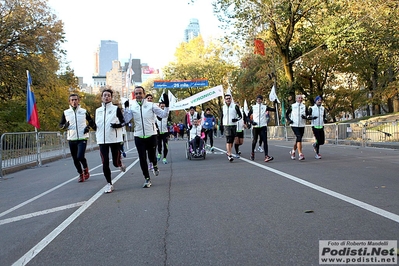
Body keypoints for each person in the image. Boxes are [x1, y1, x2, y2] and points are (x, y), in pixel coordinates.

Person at [129, 86, 169, 188]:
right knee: (142, 158)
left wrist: (167, 105)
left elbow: (164, 115)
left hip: (151, 134)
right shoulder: (132, 106)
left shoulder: (151, 105)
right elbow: (125, 119)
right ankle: (147, 178)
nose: (138, 95)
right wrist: (124, 110)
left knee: (152, 157)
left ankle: (154, 164)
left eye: (140, 93)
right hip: (138, 136)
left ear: (144, 94)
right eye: (136, 93)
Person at [59, 94, 96, 182]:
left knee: (80, 156)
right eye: (72, 100)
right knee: (75, 158)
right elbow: (60, 125)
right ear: (69, 102)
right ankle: (80, 174)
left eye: (75, 100)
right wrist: (65, 126)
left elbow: (91, 121)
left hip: (82, 137)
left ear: (78, 100)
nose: (74, 102)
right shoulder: (66, 112)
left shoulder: (84, 111)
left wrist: (88, 127)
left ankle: (85, 169)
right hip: (72, 138)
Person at [95, 89, 126, 193]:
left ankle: (120, 164)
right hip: (102, 140)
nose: (106, 97)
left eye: (108, 95)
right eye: (104, 95)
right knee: (105, 162)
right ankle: (109, 184)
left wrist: (117, 125)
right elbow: (97, 125)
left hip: (114, 139)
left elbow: (123, 122)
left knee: (115, 163)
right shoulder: (97, 110)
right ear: (101, 97)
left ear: (111, 97)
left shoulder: (115, 109)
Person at [248, 95, 276, 162]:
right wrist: (251, 122)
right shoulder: (253, 107)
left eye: (260, 99)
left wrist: (275, 103)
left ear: (262, 100)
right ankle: (252, 153)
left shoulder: (265, 107)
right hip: (255, 127)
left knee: (265, 141)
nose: (259, 100)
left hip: (263, 126)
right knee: (255, 140)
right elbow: (247, 116)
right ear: (256, 100)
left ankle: (266, 156)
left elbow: (273, 110)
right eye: (258, 99)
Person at [286, 94, 308, 160]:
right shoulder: (292, 106)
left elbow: (308, 115)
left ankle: (293, 151)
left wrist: (305, 117)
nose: (300, 99)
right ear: (296, 99)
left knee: (298, 139)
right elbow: (286, 114)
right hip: (294, 124)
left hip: (302, 124)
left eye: (301, 98)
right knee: (299, 137)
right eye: (299, 98)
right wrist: (289, 120)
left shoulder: (304, 106)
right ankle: (300, 154)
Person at [221, 94, 242, 162]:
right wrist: (221, 125)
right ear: (225, 100)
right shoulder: (223, 107)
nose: (228, 100)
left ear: (231, 99)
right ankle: (229, 154)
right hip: (226, 125)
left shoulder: (235, 106)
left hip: (233, 125)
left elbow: (240, 116)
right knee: (228, 139)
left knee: (232, 140)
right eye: (226, 99)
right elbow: (221, 117)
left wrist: (236, 119)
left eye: (229, 98)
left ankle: (228, 151)